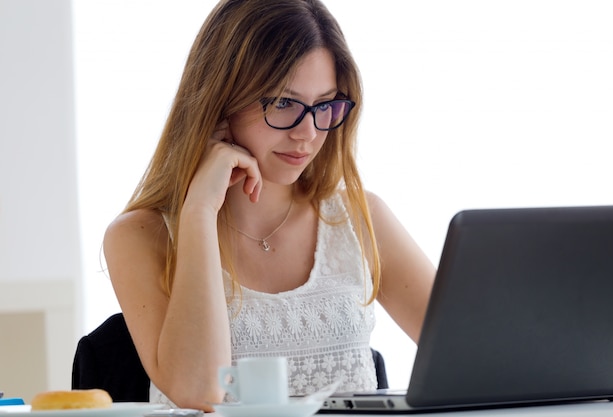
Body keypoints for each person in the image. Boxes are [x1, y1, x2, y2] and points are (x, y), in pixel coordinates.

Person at [103, 0, 435, 411]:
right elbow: (198, 390)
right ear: (221, 102)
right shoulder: (139, 236)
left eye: (324, 105)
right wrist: (199, 212)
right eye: (283, 103)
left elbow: (478, 355)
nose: (308, 133)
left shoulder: (361, 219)